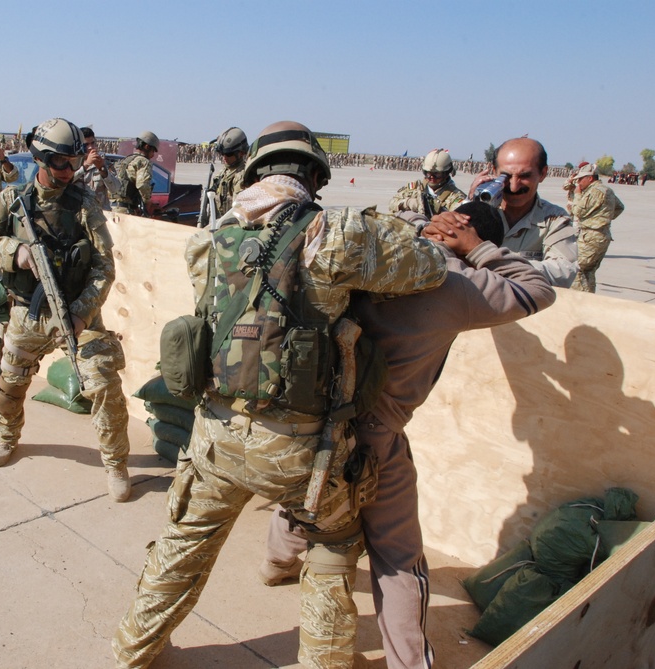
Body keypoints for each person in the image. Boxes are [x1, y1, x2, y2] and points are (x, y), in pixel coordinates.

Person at [113, 121, 451, 669]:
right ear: (313, 176)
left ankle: (133, 650)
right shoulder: (337, 234)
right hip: (302, 454)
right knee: (332, 550)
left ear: (252, 173)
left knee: (182, 545)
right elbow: (429, 266)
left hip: (215, 439)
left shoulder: (208, 242)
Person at [262, 200, 557, 669]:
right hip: (377, 433)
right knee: (399, 557)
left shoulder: (371, 253)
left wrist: (423, 224)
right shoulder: (458, 285)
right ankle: (409, 662)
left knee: (312, 489)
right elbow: (537, 290)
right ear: (467, 233)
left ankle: (277, 564)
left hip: (313, 411)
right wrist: (479, 248)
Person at [0, 118, 132, 502]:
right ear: (41, 160)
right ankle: (7, 438)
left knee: (104, 385)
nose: (70, 172)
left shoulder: (85, 205)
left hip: (77, 316)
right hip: (26, 313)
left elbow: (104, 266)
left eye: (74, 163)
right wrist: (13, 252)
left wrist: (83, 313)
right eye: (62, 164)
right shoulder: (12, 202)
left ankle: (116, 463)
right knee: (10, 384)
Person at [429, 137, 578, 288]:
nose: (513, 187)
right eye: (506, 176)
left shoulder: (554, 219)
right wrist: (470, 206)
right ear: (493, 171)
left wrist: (486, 257)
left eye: (524, 176)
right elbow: (438, 254)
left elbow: (563, 272)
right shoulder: (479, 208)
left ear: (543, 173)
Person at [568, 163, 625, 293]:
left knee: (576, 269)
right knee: (589, 271)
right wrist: (603, 217)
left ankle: (579, 300)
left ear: (590, 178)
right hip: (602, 235)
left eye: (581, 179)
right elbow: (619, 207)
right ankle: (589, 298)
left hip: (591, 236)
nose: (578, 183)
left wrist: (577, 195)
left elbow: (577, 211)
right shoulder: (607, 190)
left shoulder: (593, 191)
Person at [387, 149, 466, 217]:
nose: (431, 177)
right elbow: (392, 203)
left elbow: (460, 216)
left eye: (437, 174)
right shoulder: (415, 187)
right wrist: (408, 203)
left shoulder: (455, 197)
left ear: (446, 173)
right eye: (428, 173)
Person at [111, 131, 158, 216]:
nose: (153, 155)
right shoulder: (143, 161)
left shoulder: (126, 160)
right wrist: (148, 201)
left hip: (111, 209)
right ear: (147, 147)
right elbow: (142, 185)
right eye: (153, 151)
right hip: (125, 212)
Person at [74, 126, 121, 211]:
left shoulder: (104, 163)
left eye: (92, 143)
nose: (91, 147)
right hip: (78, 214)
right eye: (86, 145)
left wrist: (102, 168)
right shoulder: (72, 164)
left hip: (99, 215)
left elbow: (115, 189)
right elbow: (65, 182)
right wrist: (85, 166)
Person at [210, 126, 249, 217]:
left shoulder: (243, 175)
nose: (224, 158)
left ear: (241, 153)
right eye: (222, 153)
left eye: (228, 154)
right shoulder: (222, 173)